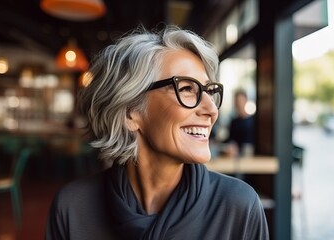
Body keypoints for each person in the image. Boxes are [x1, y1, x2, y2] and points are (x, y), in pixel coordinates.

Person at [45, 25, 269, 240]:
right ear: (131, 111)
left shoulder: (238, 206)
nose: (211, 109)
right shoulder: (72, 208)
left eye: (210, 91)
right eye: (187, 89)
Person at [226, 89, 255, 157]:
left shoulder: (252, 121)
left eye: (240, 101)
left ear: (245, 101)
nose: (238, 104)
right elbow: (231, 140)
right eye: (237, 101)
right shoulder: (234, 122)